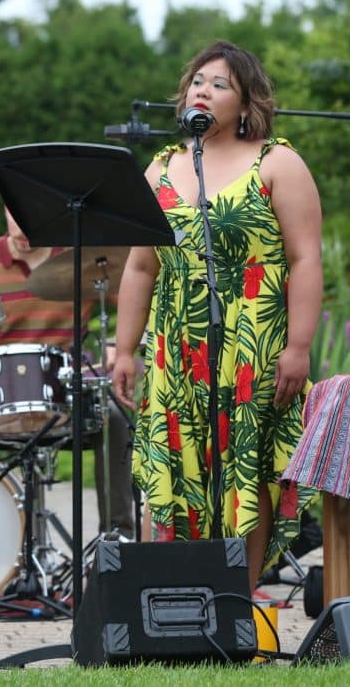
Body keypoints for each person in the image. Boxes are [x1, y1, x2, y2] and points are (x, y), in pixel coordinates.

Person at [111, 40, 323, 593]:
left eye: (219, 84)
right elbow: (139, 267)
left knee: (244, 469)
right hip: (177, 346)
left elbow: (305, 259)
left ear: (246, 103)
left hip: (253, 341)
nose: (202, 89)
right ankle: (187, 597)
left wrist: (297, 348)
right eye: (197, 80)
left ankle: (237, 600)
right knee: (182, 467)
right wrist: (123, 348)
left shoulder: (278, 162)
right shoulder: (160, 167)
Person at [0, 207, 136, 540]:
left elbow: (135, 295)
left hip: (69, 389)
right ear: (3, 210)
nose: (23, 223)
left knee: (114, 415)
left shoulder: (81, 256)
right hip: (1, 388)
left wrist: (121, 344)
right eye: (14, 214)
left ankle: (117, 541)